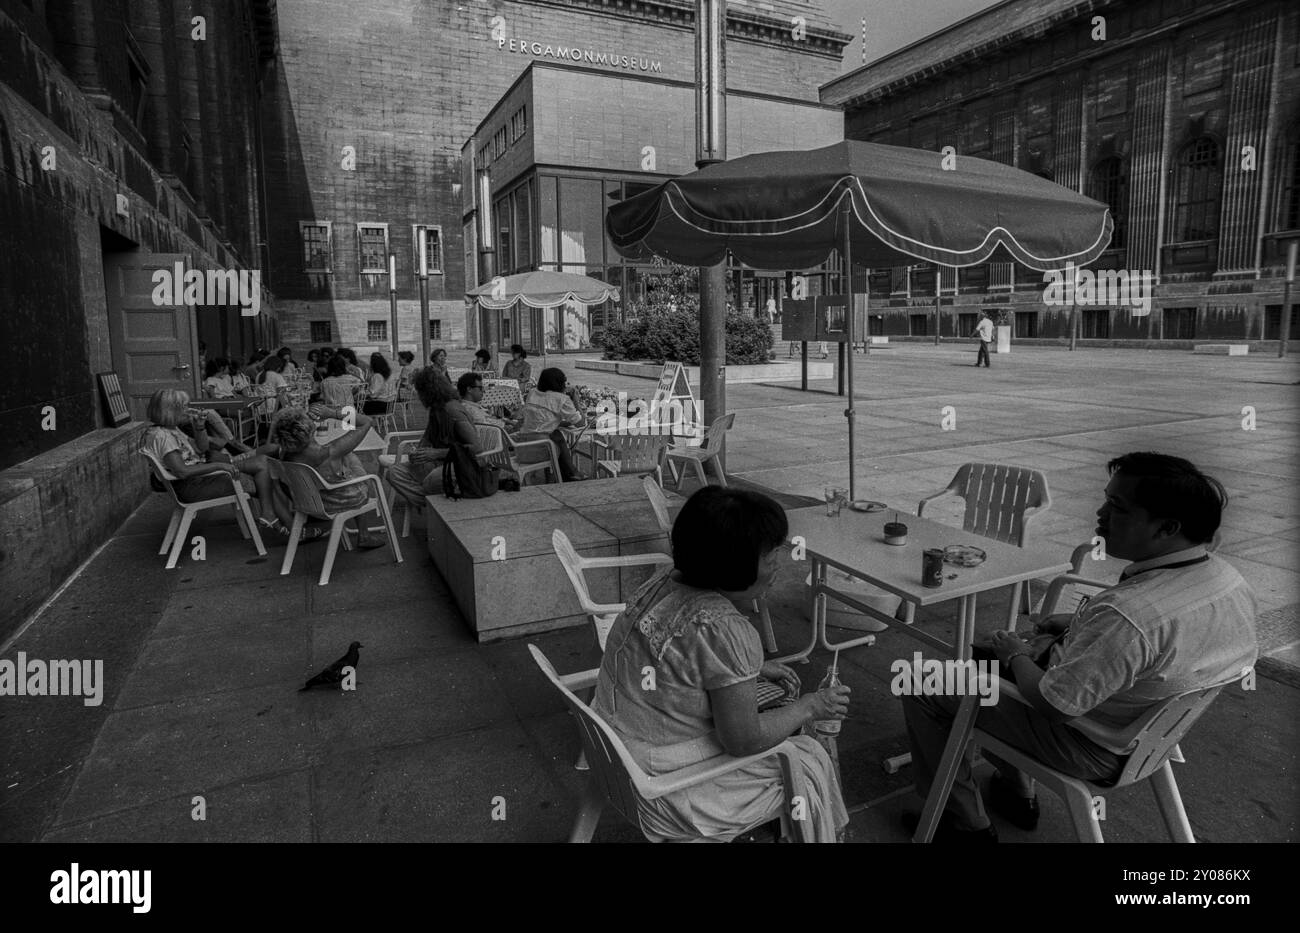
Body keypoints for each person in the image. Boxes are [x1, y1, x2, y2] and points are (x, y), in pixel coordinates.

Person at [900, 452, 1258, 842]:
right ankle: (1017, 791)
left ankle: (966, 824)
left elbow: (1054, 704)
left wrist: (1015, 655)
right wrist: (1081, 623)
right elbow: (1166, 637)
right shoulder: (1226, 579)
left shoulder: (1128, 616)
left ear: (1167, 528)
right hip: (1149, 734)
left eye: (1117, 507)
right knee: (988, 661)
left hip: (1089, 743)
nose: (1101, 513)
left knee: (926, 682)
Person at [592, 486, 850, 842]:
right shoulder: (726, 631)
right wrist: (812, 707)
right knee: (808, 758)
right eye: (770, 553)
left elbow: (677, 658)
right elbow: (743, 740)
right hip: (669, 792)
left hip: (612, 759)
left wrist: (750, 672)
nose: (778, 561)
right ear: (735, 564)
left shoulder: (659, 583)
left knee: (777, 713)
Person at [143, 388, 301, 539]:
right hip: (192, 486)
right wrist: (219, 466)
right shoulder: (162, 437)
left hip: (198, 480)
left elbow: (201, 448)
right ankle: (292, 526)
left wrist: (199, 427)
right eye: (183, 406)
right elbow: (182, 471)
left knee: (265, 469)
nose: (187, 409)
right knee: (265, 479)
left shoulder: (169, 430)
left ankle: (281, 521)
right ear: (170, 410)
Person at [273, 406, 386, 548]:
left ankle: (362, 533)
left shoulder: (284, 454)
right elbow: (367, 421)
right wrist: (333, 413)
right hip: (340, 500)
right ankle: (364, 535)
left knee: (346, 458)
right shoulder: (329, 452)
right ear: (306, 428)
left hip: (310, 502)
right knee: (351, 462)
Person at [509, 367, 584, 482]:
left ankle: (569, 474)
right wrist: (575, 399)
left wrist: (560, 422)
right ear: (559, 382)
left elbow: (542, 420)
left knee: (555, 434)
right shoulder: (562, 399)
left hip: (521, 447)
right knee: (556, 437)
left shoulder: (532, 392)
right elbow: (581, 423)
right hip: (540, 450)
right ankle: (571, 473)